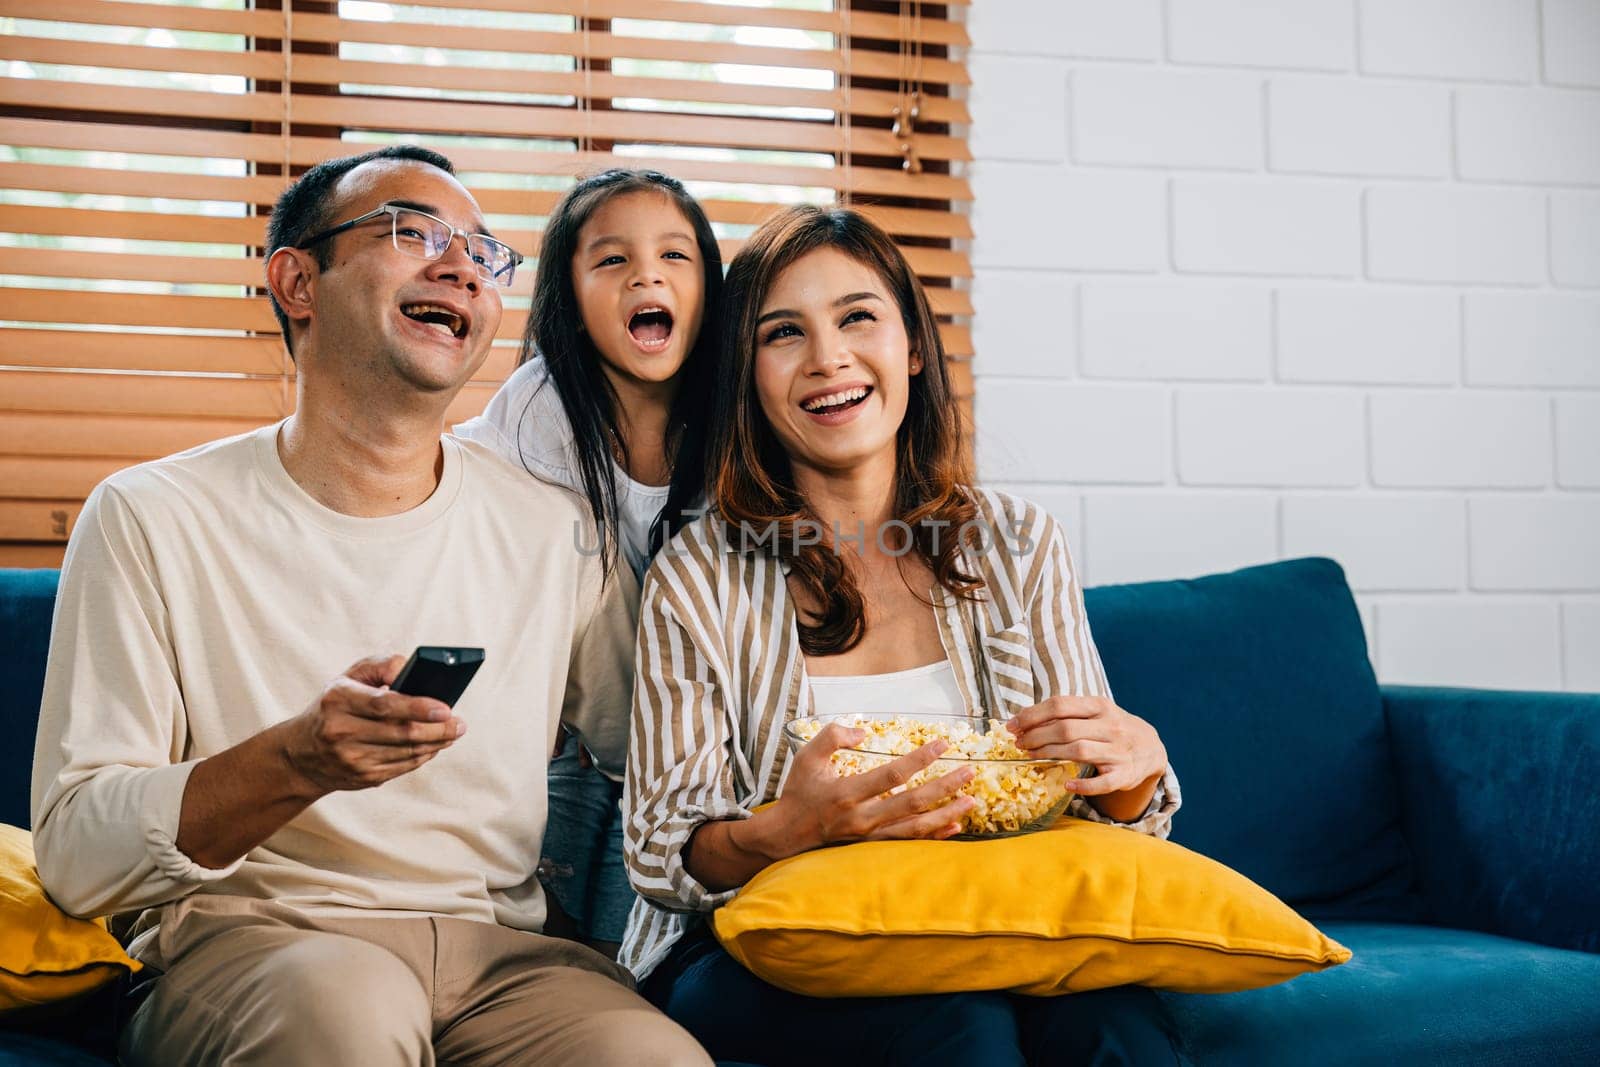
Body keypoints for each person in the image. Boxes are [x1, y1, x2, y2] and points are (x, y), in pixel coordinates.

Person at [30, 145, 711, 1067]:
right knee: (347, 1016)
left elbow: (672, 753)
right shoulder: (151, 516)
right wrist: (295, 759)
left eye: (481, 251)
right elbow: (75, 854)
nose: (461, 265)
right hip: (256, 942)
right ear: (297, 282)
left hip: (501, 963)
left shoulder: (558, 532)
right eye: (412, 232)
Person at [621, 205, 1187, 1066]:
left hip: (997, 913)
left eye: (857, 316)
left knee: (1118, 1025)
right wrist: (789, 827)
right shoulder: (696, 574)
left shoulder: (1018, 543)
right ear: (748, 377)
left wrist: (1130, 772)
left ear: (913, 347)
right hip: (760, 942)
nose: (828, 358)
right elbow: (662, 850)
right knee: (961, 1025)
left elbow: (1098, 813)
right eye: (784, 333)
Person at [455, 168, 721, 956]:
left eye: (676, 256)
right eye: (612, 261)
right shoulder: (538, 418)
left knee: (636, 957)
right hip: (565, 728)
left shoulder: (730, 418)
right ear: (569, 300)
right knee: (555, 943)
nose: (647, 273)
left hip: (678, 747)